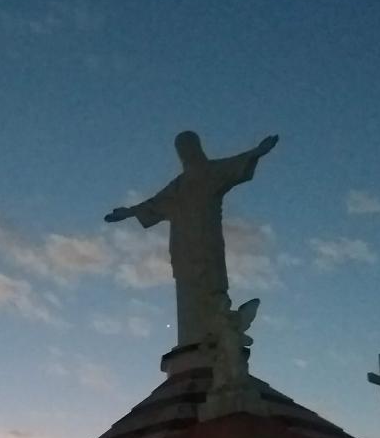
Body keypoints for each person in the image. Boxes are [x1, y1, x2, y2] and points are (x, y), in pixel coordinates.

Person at [106, 131, 278, 347]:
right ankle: (191, 340)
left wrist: (257, 152)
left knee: (211, 282)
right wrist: (128, 212)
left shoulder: (212, 172)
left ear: (197, 147)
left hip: (208, 239)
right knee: (187, 287)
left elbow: (236, 163)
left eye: (188, 146)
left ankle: (215, 335)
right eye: (181, 149)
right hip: (182, 245)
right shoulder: (178, 186)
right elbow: (153, 204)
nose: (185, 153)